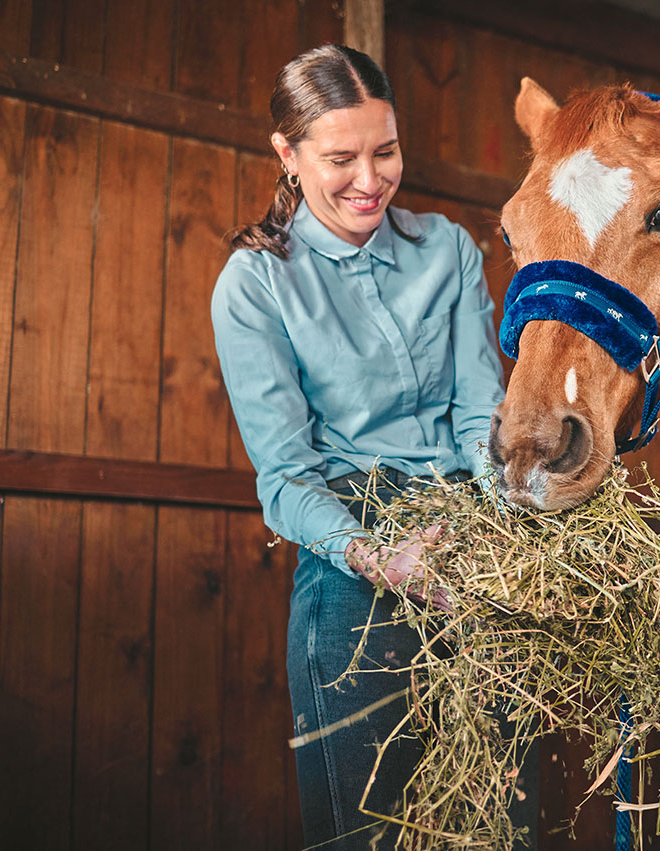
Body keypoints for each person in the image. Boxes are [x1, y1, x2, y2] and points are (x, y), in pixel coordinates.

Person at [211, 45, 532, 848]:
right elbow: (285, 480)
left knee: (509, 821)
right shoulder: (255, 285)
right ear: (287, 155)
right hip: (354, 562)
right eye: (340, 158)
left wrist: (506, 528)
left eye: (385, 151)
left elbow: (477, 412)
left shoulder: (447, 250)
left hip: (469, 540)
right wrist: (380, 557)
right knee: (371, 831)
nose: (369, 179)